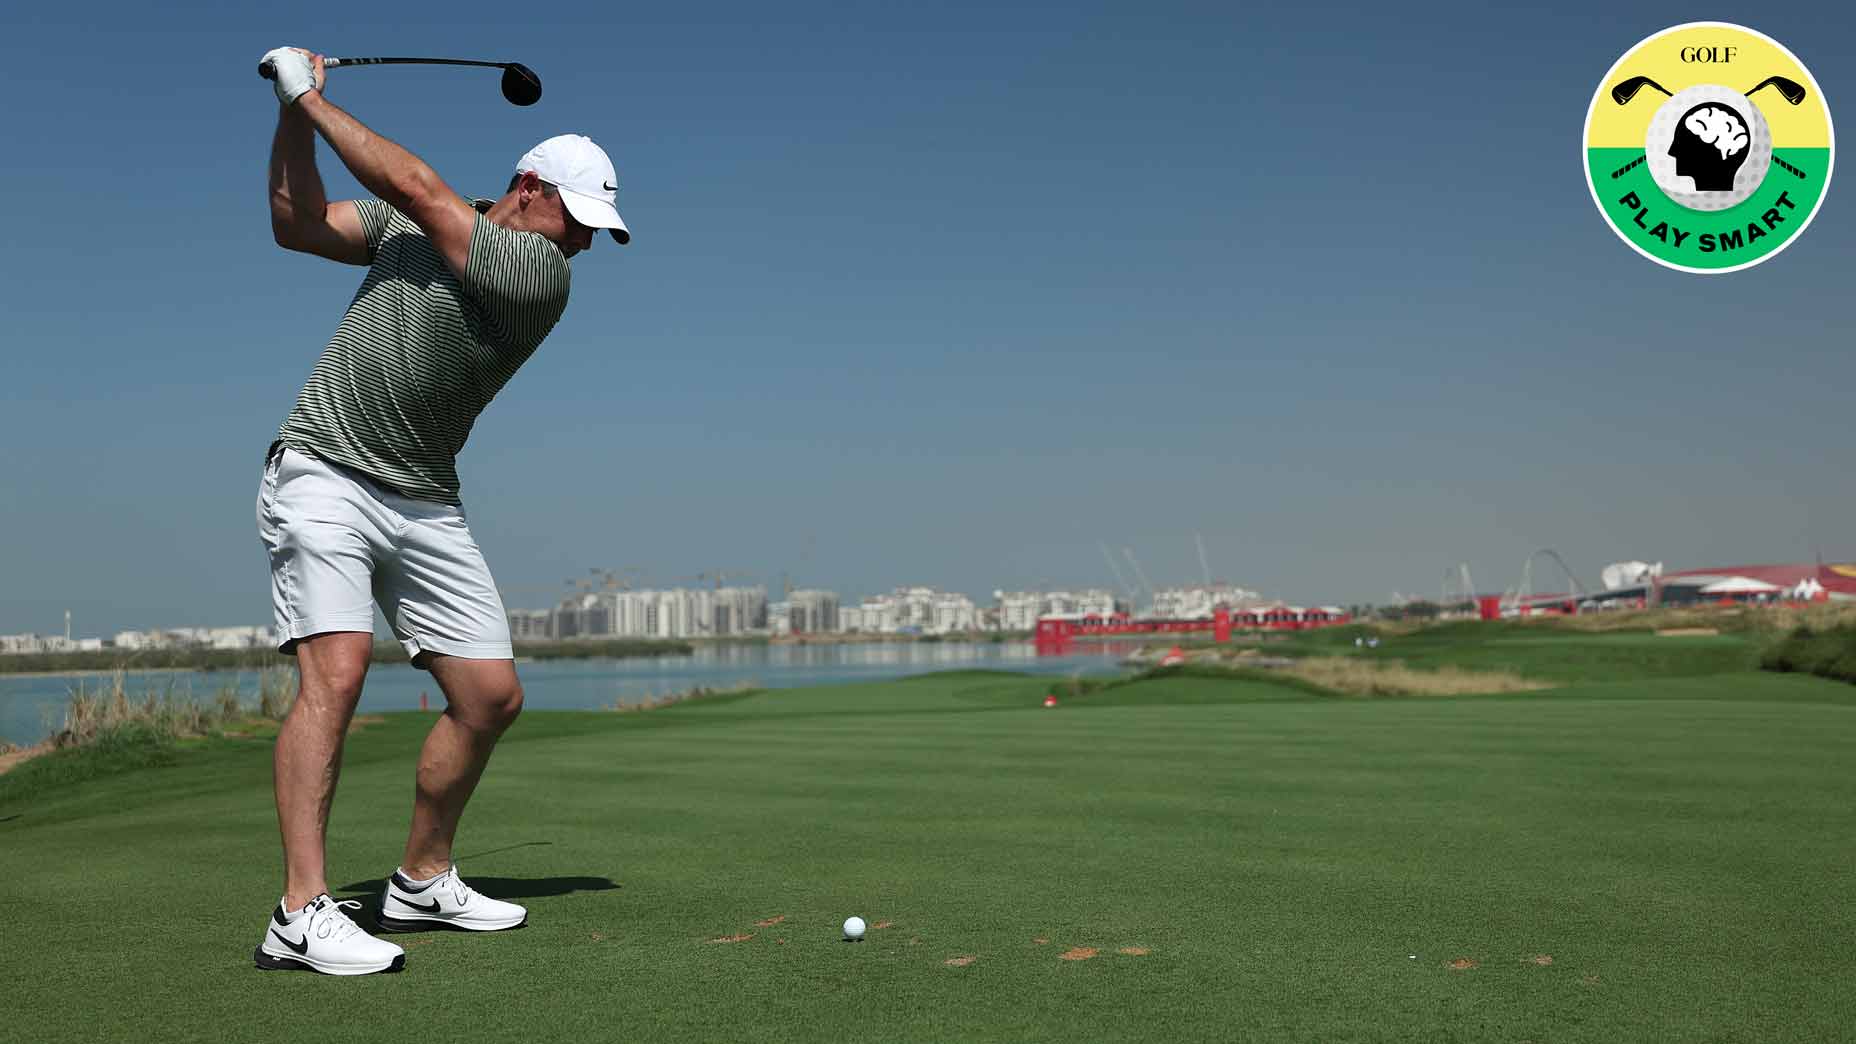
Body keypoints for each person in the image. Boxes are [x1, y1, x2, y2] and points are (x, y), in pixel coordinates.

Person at [251, 47, 629, 976]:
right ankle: (301, 912)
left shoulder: (538, 278)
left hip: (423, 496)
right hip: (326, 472)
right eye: (579, 220)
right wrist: (295, 116)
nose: (584, 242)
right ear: (531, 189)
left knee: (490, 696)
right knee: (334, 676)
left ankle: (420, 879)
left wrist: (306, 91)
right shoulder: (420, 224)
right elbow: (294, 223)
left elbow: (418, 185)